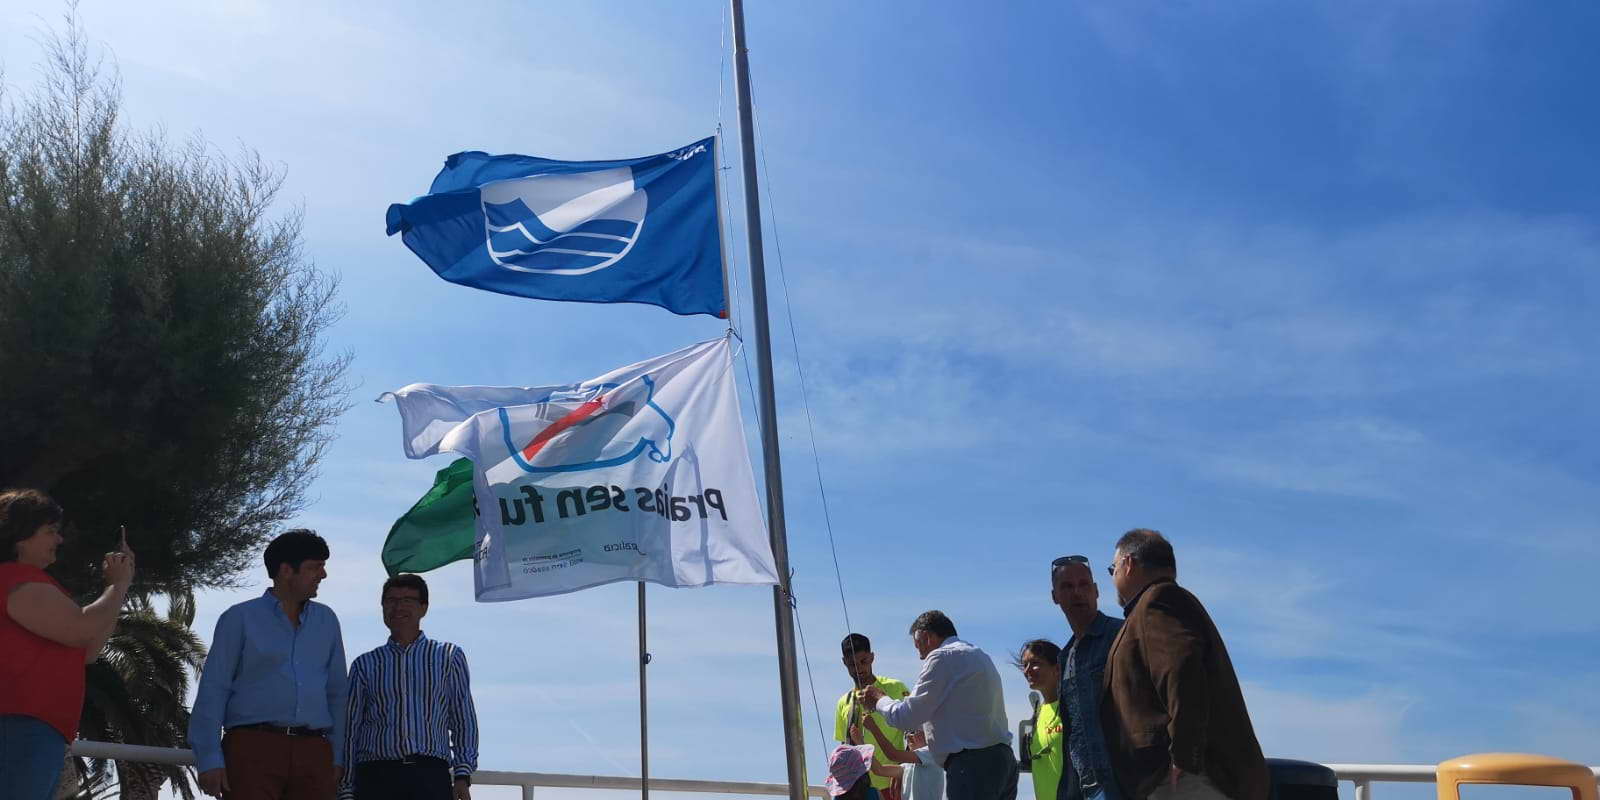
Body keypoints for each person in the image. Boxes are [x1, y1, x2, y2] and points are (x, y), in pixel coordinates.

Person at [1101, 530, 1267, 800]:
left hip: (1185, 782)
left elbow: (1182, 671)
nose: (1112, 577)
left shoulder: (1159, 600)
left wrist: (1184, 756)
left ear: (1128, 564)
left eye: (1113, 568)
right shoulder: (1155, 605)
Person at [189, 529, 349, 800]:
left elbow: (337, 694)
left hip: (314, 753)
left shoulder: (327, 621)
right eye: (315, 567)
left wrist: (336, 755)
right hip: (251, 750)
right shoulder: (238, 618)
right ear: (286, 570)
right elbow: (214, 690)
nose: (323, 575)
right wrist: (209, 758)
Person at [0, 489, 133, 800]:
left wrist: (119, 588)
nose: (58, 540)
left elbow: (87, 650)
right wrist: (117, 585)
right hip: (21, 726)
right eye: (50, 531)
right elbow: (81, 630)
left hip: (33, 728)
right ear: (20, 536)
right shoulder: (14, 579)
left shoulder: (23, 582)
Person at [341, 573, 479, 800]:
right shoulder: (364, 665)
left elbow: (463, 718)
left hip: (430, 775)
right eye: (391, 600)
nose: (398, 607)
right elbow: (350, 730)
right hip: (376, 776)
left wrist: (462, 774)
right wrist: (346, 787)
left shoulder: (448, 656)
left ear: (423, 608)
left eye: (407, 600)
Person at [860, 611, 1016, 800]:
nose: (920, 657)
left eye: (918, 647)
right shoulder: (979, 655)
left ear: (926, 637)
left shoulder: (941, 657)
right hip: (1003, 761)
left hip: (971, 765)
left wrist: (879, 699)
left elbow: (906, 717)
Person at [1050, 555, 1124, 800]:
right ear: (1055, 597)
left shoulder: (1121, 634)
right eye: (1067, 587)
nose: (1077, 593)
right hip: (1082, 786)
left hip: (1121, 781)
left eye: (1083, 585)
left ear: (1096, 591)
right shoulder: (1065, 656)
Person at [837, 633, 910, 800]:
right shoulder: (844, 702)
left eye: (863, 661)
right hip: (862, 789)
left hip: (894, 783)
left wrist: (903, 772)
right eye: (852, 664)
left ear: (872, 657)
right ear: (844, 663)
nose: (858, 669)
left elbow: (914, 733)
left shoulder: (895, 687)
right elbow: (844, 746)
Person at [1015, 640, 1063, 800]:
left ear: (1057, 668)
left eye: (1035, 663)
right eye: (1025, 665)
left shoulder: (1076, 708)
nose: (1027, 670)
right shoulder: (1037, 714)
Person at [864, 716, 944, 800]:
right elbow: (879, 770)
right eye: (908, 733)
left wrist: (873, 728)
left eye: (916, 732)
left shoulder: (931, 753)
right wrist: (861, 743)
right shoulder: (907, 766)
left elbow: (892, 755)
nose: (909, 736)